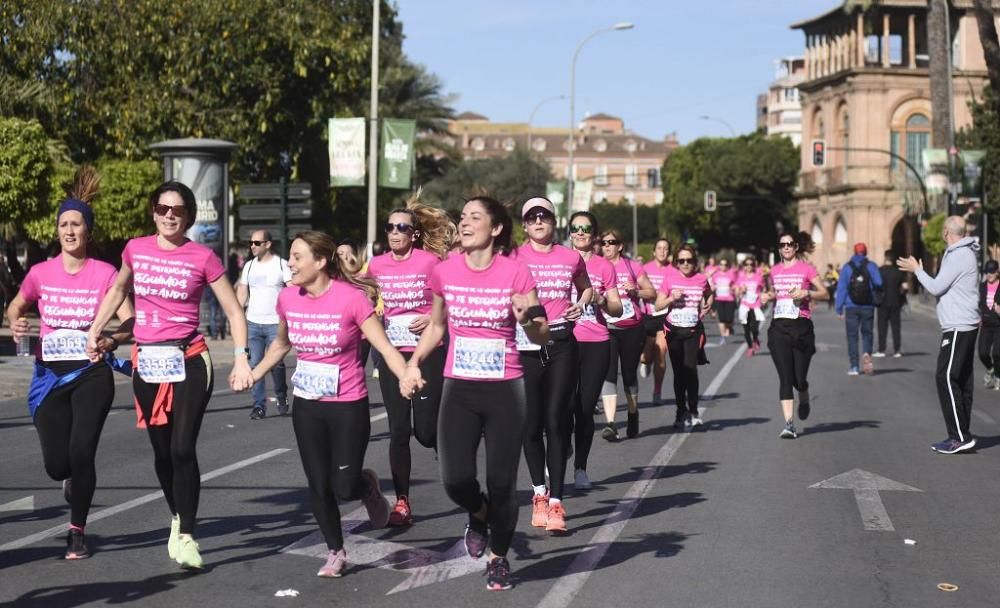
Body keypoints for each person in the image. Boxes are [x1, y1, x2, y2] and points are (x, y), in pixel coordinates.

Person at [86, 181, 255, 570]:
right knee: (162, 452)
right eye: (162, 208)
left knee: (182, 448)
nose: (169, 216)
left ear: (188, 216)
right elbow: (116, 291)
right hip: (149, 361)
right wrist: (96, 329)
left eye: (177, 210)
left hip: (191, 358)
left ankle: (187, 534)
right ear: (153, 211)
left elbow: (232, 311)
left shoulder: (203, 257)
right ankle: (177, 513)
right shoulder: (135, 248)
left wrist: (242, 358)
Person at [400, 196, 548, 591]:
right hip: (460, 386)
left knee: (502, 482)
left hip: (504, 389)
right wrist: (413, 363)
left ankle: (499, 558)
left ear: (496, 229)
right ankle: (479, 513)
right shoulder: (445, 272)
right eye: (463, 217)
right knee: (455, 479)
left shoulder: (516, 273)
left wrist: (527, 318)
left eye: (475, 218)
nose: (465, 223)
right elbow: (436, 326)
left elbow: (541, 331)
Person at [237, 231, 402, 578]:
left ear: (321, 261)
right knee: (318, 483)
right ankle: (335, 551)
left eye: (297, 257)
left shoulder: (351, 299)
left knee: (343, 486)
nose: (291, 264)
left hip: (348, 403)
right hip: (308, 404)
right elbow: (281, 345)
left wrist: (406, 374)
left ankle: (365, 487)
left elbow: (384, 347)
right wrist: (254, 374)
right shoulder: (288, 298)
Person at [6, 166, 134, 560]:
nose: (69, 230)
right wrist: (16, 321)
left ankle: (77, 530)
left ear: (87, 231)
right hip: (49, 375)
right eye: (64, 224)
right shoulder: (41, 273)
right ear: (57, 230)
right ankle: (68, 482)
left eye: (76, 224)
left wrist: (110, 338)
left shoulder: (106, 273)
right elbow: (16, 305)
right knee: (56, 463)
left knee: (82, 452)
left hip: (92, 372)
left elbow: (130, 321)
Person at [367, 202, 453, 527]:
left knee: (427, 433)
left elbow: (449, 299)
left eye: (401, 227)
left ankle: (446, 443)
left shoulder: (431, 262)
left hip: (429, 351)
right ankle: (402, 502)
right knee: (399, 430)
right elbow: (361, 293)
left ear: (414, 234)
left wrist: (430, 317)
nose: (394, 233)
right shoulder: (376, 265)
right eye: (390, 227)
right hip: (393, 354)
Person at [513, 197, 591, 534]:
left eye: (544, 215)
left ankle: (557, 502)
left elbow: (586, 289)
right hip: (525, 346)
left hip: (561, 343)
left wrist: (581, 304)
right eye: (532, 217)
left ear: (553, 221)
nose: (538, 221)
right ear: (525, 225)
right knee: (530, 425)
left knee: (556, 420)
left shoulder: (570, 257)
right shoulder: (513, 257)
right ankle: (539, 494)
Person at [898, 216, 981, 454]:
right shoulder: (964, 253)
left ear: (946, 232)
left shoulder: (958, 255)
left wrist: (917, 271)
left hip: (958, 325)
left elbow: (935, 287)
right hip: (964, 323)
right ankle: (963, 433)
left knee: (945, 377)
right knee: (962, 378)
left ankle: (959, 436)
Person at [567, 212, 622, 491]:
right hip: (563, 341)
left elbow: (618, 309)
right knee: (562, 406)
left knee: (585, 408)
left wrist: (600, 299)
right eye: (575, 228)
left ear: (594, 233)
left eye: (585, 228)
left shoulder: (604, 266)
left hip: (596, 342)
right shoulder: (559, 261)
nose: (580, 232)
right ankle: (562, 445)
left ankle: (580, 468)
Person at [763, 231, 827, 439]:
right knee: (785, 377)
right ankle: (789, 424)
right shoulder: (774, 271)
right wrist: (767, 296)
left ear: (796, 247)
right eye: (782, 245)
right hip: (779, 328)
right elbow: (777, 294)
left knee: (799, 379)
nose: (786, 248)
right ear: (779, 248)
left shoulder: (807, 269)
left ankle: (804, 393)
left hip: (801, 327)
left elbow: (825, 293)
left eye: (790, 244)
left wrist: (806, 293)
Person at [599, 229, 656, 441]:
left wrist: (636, 291)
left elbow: (651, 292)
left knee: (629, 375)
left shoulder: (632, 266)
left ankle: (633, 414)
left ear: (620, 246)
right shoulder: (596, 266)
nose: (606, 246)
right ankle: (611, 423)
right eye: (603, 242)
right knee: (609, 373)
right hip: (607, 327)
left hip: (632, 328)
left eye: (611, 242)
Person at [654, 244, 712, 429]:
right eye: (682, 261)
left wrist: (707, 305)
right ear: (676, 263)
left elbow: (709, 294)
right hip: (674, 332)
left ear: (695, 262)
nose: (686, 264)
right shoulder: (669, 279)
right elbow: (657, 305)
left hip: (693, 331)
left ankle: (694, 411)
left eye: (689, 260)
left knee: (691, 369)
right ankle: (681, 412)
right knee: (679, 373)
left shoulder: (701, 279)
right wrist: (671, 298)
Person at [237, 230, 292, 420]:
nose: (252, 246)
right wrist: (236, 314)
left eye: (257, 243)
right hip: (253, 322)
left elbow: (292, 290)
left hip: (276, 323)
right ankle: (259, 405)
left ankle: (281, 395)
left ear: (268, 244)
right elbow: (243, 292)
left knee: (276, 364)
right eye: (251, 242)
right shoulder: (249, 266)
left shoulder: (281, 264)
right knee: (255, 364)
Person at [835, 242, 883, 376]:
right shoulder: (871, 266)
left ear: (854, 252)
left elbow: (842, 289)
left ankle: (854, 366)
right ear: (865, 252)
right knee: (867, 333)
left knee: (852, 336)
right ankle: (867, 352)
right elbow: (879, 282)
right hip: (868, 305)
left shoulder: (847, 267)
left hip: (851, 306)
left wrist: (839, 308)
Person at [640, 238, 675, 405]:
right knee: (645, 357)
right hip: (646, 316)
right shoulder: (644, 269)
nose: (662, 251)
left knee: (661, 353)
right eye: (659, 248)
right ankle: (646, 361)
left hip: (665, 317)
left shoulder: (674, 271)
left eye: (665, 248)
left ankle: (657, 390)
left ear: (669, 252)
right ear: (653, 251)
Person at [874, 250, 906, 358]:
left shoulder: (879, 271)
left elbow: (875, 286)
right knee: (896, 327)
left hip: (882, 303)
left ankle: (881, 350)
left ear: (885, 258)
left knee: (882, 327)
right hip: (895, 302)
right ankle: (897, 350)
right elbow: (905, 287)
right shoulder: (898, 272)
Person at [735, 255, 766, 356]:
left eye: (751, 264)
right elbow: (737, 293)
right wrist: (741, 291)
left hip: (756, 305)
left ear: (754, 266)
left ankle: (756, 339)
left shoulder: (758, 277)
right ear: (744, 266)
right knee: (746, 328)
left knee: (754, 328)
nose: (748, 266)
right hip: (744, 305)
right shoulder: (740, 278)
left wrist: (763, 297)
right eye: (746, 264)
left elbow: (763, 289)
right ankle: (750, 347)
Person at [979, 260, 1000, 390]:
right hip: (986, 324)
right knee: (982, 353)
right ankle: (991, 369)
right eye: (987, 272)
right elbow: (979, 303)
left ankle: (998, 376)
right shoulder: (982, 286)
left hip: (998, 324)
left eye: (992, 272)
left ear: (997, 272)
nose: (989, 275)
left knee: (997, 354)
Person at [710, 257, 736, 345]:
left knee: (729, 319)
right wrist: (713, 288)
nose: (723, 266)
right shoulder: (715, 275)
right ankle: (722, 337)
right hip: (719, 299)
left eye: (725, 264)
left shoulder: (731, 274)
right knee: (721, 319)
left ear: (728, 266)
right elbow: (712, 285)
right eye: (721, 264)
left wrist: (734, 288)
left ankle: (729, 327)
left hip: (730, 299)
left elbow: (735, 284)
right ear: (719, 265)